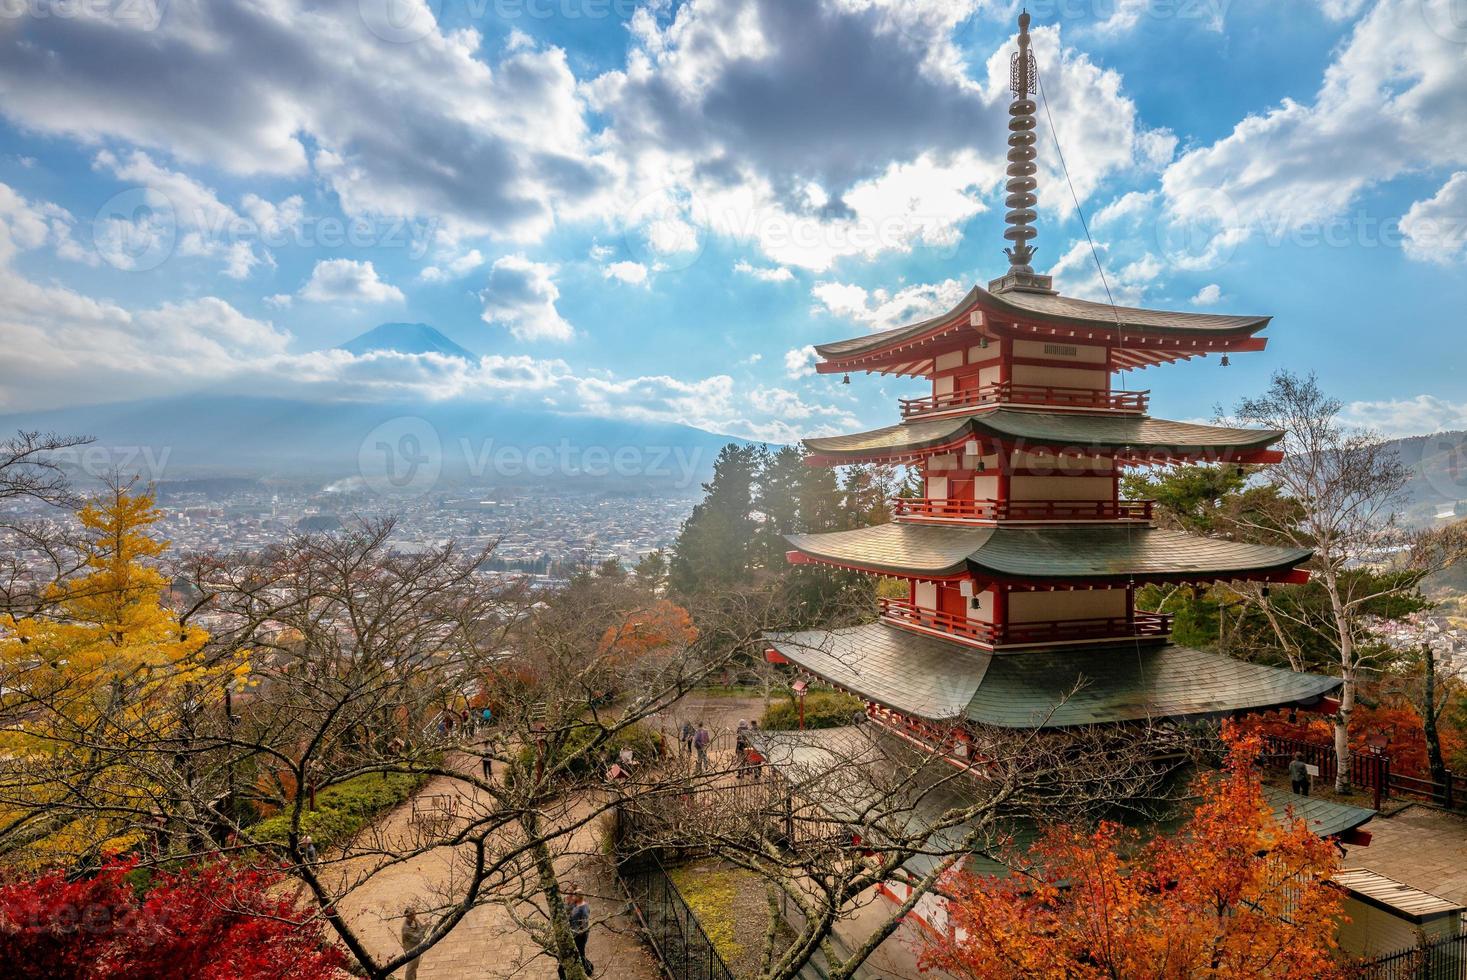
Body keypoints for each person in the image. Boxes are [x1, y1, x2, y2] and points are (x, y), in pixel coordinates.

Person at [566, 888, 594, 977]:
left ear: (578, 897)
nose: (573, 897)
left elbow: (584, 922)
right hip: (573, 932)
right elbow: (567, 910)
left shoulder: (583, 908)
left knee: (580, 952)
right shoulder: (574, 904)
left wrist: (580, 932)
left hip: (580, 935)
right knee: (578, 951)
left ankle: (587, 969)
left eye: (574, 895)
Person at [401, 906, 428, 980]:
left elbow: (420, 927)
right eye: (413, 914)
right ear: (408, 916)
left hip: (417, 946)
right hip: (411, 948)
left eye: (414, 913)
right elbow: (417, 937)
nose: (415, 915)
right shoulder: (406, 929)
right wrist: (425, 927)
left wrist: (425, 925)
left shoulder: (414, 920)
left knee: (415, 966)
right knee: (411, 966)